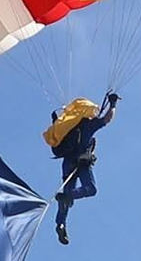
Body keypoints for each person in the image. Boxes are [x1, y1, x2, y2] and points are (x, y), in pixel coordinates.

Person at [48, 91, 118, 245]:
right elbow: (107, 118)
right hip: (81, 163)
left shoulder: (67, 127)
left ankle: (61, 223)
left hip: (67, 164)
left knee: (66, 197)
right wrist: (112, 104)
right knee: (90, 189)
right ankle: (67, 197)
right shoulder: (88, 125)